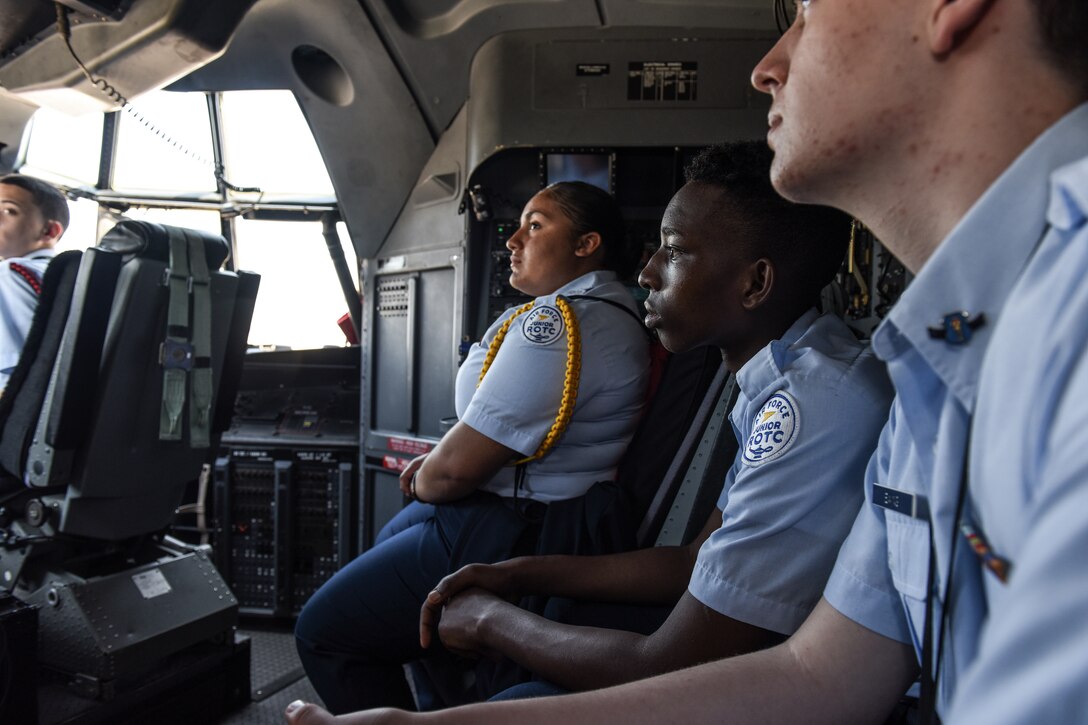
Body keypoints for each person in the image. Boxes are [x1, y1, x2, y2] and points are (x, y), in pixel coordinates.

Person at [285, 0, 1088, 722]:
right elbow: (819, 674)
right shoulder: (928, 369)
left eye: (807, 10)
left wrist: (500, 613)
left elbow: (720, 660)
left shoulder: (866, 386)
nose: (767, 65)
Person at [411, 140, 891, 700]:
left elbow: (672, 664)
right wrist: (516, 573)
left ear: (755, 283)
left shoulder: (813, 405)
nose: (647, 272)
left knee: (516, 700)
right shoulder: (779, 376)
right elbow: (692, 562)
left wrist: (493, 620)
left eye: (674, 250)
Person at [294, 181, 650, 713]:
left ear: (586, 245)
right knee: (395, 545)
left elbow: (449, 477)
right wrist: (441, 466)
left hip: (518, 524)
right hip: (509, 503)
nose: (512, 240)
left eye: (536, 225)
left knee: (323, 631)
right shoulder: (590, 310)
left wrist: (434, 472)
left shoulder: (561, 325)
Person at [0, 174, 68, 393]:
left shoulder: (13, 274)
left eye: (9, 211)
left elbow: (15, 374)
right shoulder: (65, 274)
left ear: (50, 231)